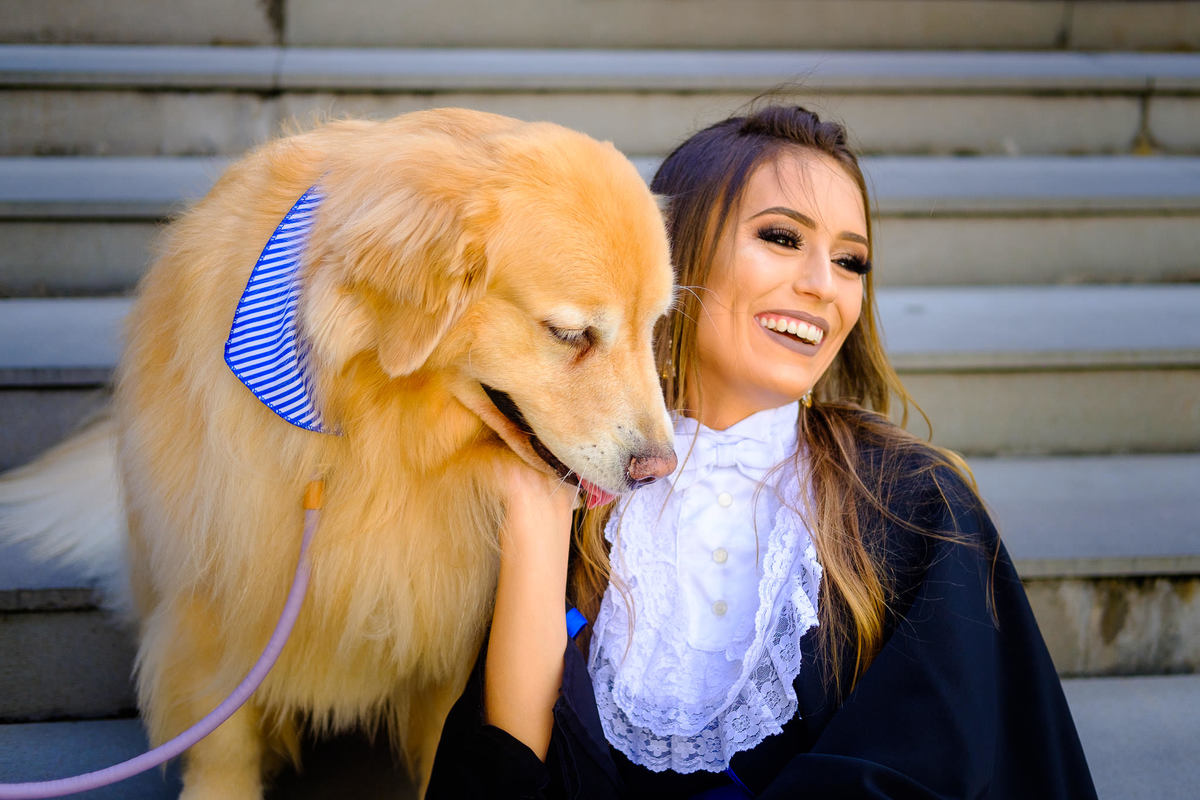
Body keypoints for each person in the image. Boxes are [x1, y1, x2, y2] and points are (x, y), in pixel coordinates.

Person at [427, 105, 1098, 799]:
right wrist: (536, 514)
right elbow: (508, 773)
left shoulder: (914, 505)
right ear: (673, 256)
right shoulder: (566, 480)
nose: (823, 285)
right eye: (781, 237)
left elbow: (927, 768)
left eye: (850, 261)